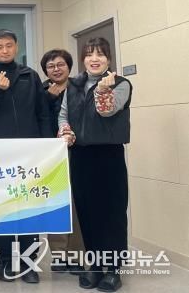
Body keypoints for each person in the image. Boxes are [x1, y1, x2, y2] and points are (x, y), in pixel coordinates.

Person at [0, 29, 52, 284]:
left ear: (16, 47)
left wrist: (46, 146)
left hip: (30, 153)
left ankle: (29, 263)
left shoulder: (30, 75)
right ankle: (7, 260)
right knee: (3, 209)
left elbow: (42, 113)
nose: (4, 50)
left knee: (29, 207)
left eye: (9, 45)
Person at [58, 38, 131, 292]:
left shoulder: (121, 83)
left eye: (100, 54)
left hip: (108, 155)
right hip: (80, 156)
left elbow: (107, 111)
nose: (94, 58)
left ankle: (113, 270)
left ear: (108, 59)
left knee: (111, 212)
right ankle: (96, 266)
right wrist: (66, 132)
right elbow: (63, 115)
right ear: (83, 59)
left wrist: (102, 90)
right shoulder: (73, 85)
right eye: (89, 54)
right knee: (87, 213)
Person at [39, 49, 85, 274]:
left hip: (78, 151)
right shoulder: (40, 91)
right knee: (55, 202)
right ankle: (58, 254)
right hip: (50, 154)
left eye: (60, 65)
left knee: (76, 204)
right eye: (51, 66)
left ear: (69, 66)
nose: (56, 69)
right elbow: (37, 117)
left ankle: (75, 255)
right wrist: (48, 98)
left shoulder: (80, 87)